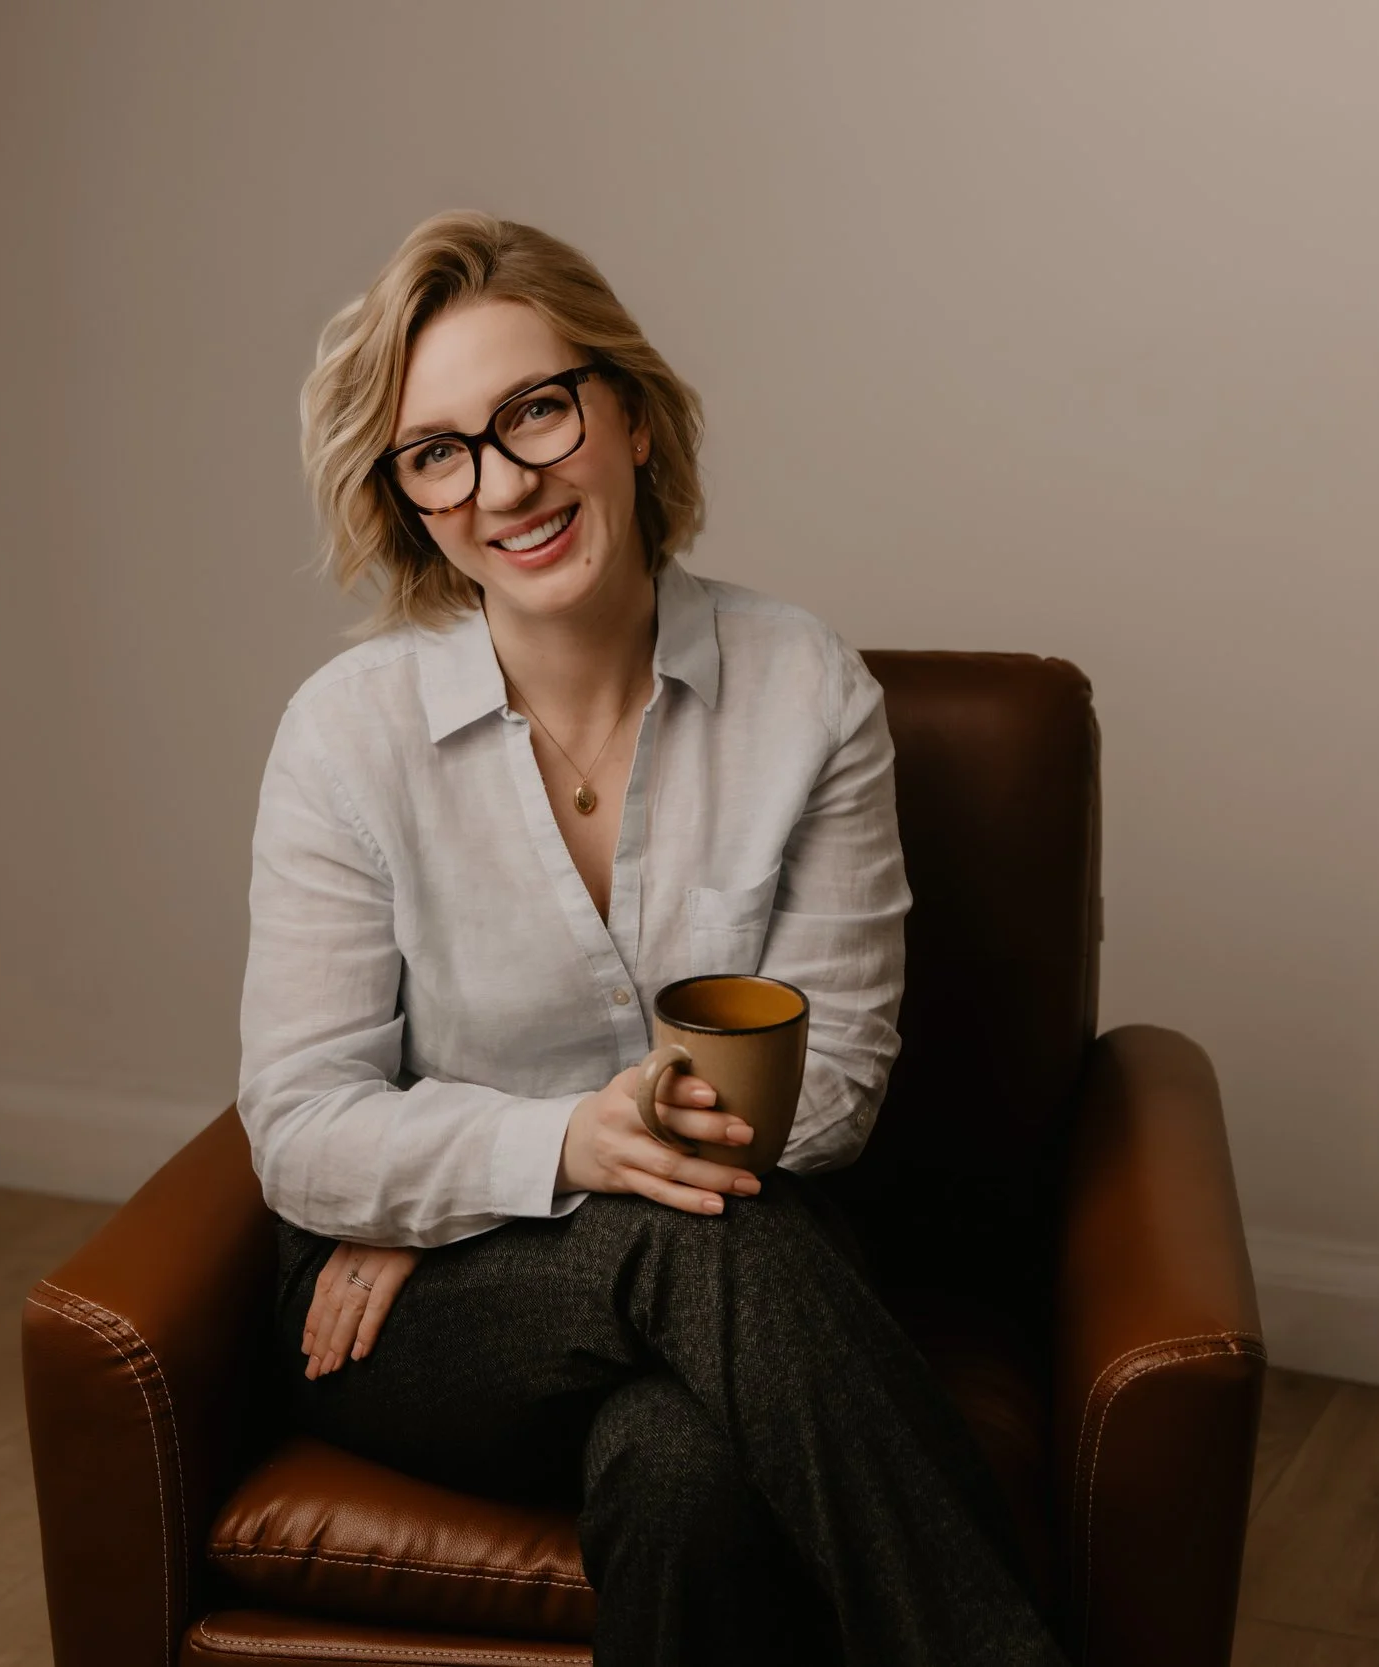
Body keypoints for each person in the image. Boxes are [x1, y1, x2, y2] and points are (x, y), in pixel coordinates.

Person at [238, 210, 1066, 1666]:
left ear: (625, 410)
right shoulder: (344, 737)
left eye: (536, 411)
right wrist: (557, 1145)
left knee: (687, 1472)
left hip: (697, 1285)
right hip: (423, 1323)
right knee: (709, 1246)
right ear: (410, 500)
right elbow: (302, 1131)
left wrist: (449, 1173)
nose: (504, 483)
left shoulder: (805, 691)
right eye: (439, 450)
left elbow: (834, 1090)